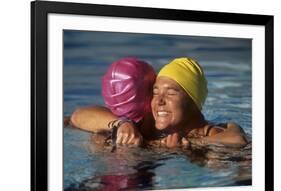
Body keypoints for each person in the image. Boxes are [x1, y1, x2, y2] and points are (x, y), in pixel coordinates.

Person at [70, 57, 248, 149]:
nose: (159, 101)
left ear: (194, 101)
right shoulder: (151, 128)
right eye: (155, 92)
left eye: (170, 93)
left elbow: (237, 140)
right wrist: (121, 122)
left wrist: (189, 146)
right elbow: (77, 117)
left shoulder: (214, 133)